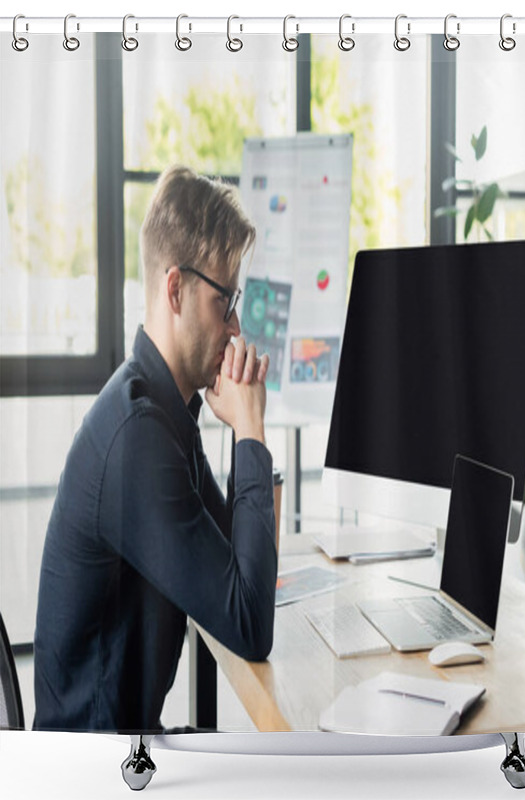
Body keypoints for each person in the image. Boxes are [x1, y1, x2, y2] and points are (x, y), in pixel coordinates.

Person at [33, 165, 277, 733]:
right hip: (94, 773)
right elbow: (249, 622)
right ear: (175, 290)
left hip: (128, 747)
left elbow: (237, 569)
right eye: (225, 302)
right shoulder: (138, 436)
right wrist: (250, 431)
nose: (237, 329)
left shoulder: (165, 414)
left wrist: (244, 429)